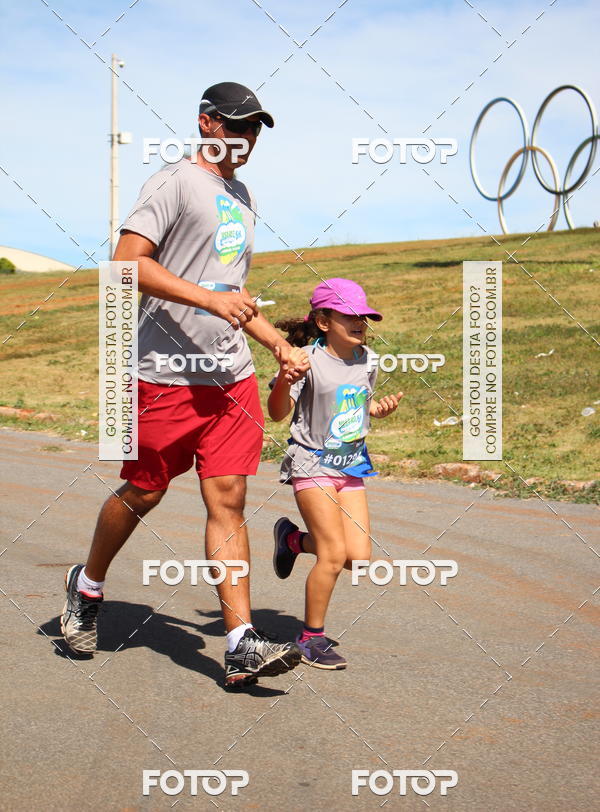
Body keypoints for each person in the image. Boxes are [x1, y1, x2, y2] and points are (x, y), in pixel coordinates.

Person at [61, 81, 309, 688]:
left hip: (229, 379)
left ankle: (239, 642)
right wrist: (203, 298)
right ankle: (87, 586)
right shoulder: (173, 181)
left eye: (256, 129)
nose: (248, 138)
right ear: (207, 124)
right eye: (238, 125)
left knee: (228, 499)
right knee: (142, 492)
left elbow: (231, 295)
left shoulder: (243, 196)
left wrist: (279, 345)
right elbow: (126, 262)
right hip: (165, 378)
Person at [268, 278, 403, 669]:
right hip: (312, 461)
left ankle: (293, 541)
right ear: (324, 321)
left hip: (351, 461)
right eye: (351, 316)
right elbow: (277, 413)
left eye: (364, 316)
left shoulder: (369, 359)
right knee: (332, 555)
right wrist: (284, 380)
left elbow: (360, 400)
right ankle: (311, 638)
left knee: (357, 558)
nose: (361, 322)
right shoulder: (305, 359)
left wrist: (374, 410)